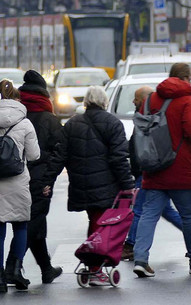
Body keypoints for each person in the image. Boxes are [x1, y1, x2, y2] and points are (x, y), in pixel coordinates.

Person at [44, 86, 134, 285]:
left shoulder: (72, 124)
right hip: (105, 184)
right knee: (100, 224)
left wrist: (47, 181)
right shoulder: (113, 123)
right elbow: (119, 158)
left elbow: (60, 156)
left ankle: (93, 265)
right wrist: (128, 185)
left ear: (86, 102)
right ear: (104, 102)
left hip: (80, 183)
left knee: (94, 221)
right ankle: (95, 269)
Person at [131, 63, 191, 278]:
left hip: (153, 166)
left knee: (149, 214)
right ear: (187, 78)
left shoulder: (149, 99)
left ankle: (140, 259)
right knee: (189, 215)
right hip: (180, 167)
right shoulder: (186, 99)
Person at [0, 79, 40, 293]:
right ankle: (16, 268)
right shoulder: (24, 123)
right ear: (17, 100)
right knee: (21, 226)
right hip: (18, 181)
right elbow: (33, 155)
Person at [7, 71, 64, 285]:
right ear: (44, 95)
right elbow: (60, 151)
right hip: (39, 179)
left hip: (14, 175)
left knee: (35, 222)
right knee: (31, 222)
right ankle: (11, 265)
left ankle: (46, 269)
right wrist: (50, 176)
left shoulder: (16, 116)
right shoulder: (50, 119)